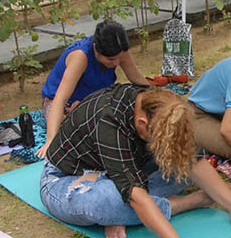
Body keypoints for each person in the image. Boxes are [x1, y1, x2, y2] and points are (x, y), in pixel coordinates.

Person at [40, 84, 231, 238]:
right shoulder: (108, 119)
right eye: (157, 139)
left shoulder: (158, 103)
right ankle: (179, 204)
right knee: (103, 202)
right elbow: (135, 195)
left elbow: (191, 159)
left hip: (128, 167)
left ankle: (126, 214)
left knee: (178, 162)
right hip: (69, 178)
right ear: (142, 123)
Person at [36, 21, 148, 159]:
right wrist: (50, 140)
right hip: (62, 105)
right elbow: (60, 99)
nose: (117, 63)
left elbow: (136, 78)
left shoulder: (119, 50)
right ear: (95, 48)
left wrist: (159, 96)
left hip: (94, 100)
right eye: (111, 59)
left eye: (120, 59)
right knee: (80, 137)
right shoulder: (80, 56)